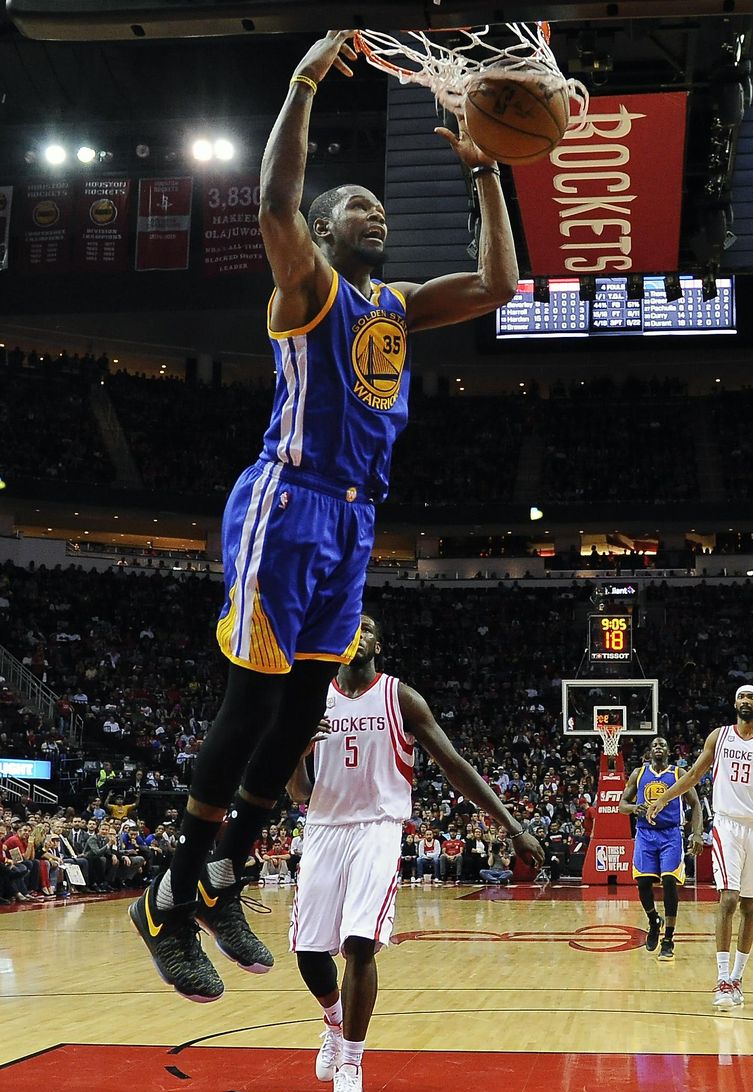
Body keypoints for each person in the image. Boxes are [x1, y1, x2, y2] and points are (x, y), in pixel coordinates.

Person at [128, 29, 518, 1002]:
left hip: (350, 526)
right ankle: (167, 897)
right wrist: (303, 81)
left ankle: (221, 876)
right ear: (319, 228)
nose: (373, 209)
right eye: (354, 202)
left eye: (379, 203)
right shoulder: (305, 290)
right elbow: (268, 200)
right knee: (251, 701)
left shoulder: (393, 304)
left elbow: (500, 285)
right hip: (285, 502)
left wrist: (485, 178)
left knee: (304, 703)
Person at [287, 614, 543, 1092]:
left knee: (360, 943)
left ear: (379, 642)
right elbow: (296, 791)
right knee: (309, 952)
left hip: (378, 827)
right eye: (347, 627)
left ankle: (352, 1069)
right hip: (322, 827)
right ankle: (335, 1028)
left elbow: (455, 766)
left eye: (365, 628)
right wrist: (298, 747)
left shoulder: (401, 698)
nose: (354, 634)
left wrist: (513, 826)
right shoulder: (314, 699)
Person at [646, 685, 753, 1010]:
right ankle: (720, 977)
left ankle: (736, 978)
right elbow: (694, 774)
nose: (745, 701)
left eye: (751, 697)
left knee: (750, 907)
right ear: (735, 704)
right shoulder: (718, 737)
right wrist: (664, 798)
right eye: (741, 697)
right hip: (728, 825)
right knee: (729, 898)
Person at [619, 736, 703, 962]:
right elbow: (621, 806)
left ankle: (669, 939)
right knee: (643, 882)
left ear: (668, 752)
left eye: (663, 745)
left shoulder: (678, 774)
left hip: (671, 834)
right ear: (649, 751)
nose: (658, 747)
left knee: (668, 881)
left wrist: (697, 833)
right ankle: (654, 920)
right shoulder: (639, 773)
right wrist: (635, 807)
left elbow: (696, 804)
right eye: (655, 745)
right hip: (645, 834)